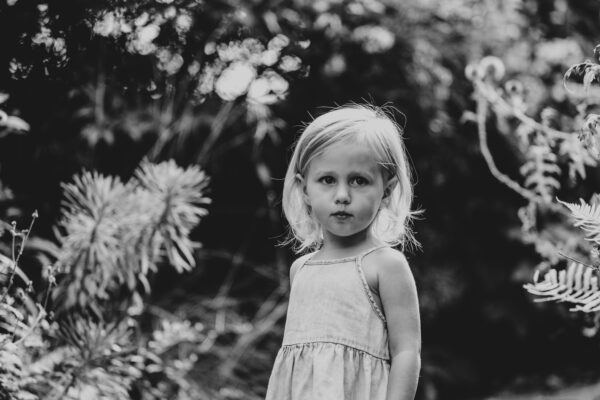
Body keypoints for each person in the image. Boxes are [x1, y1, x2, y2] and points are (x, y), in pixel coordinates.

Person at [265, 104, 422, 400]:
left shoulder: (385, 265)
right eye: (327, 180)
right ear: (304, 190)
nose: (342, 196)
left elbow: (406, 352)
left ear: (386, 191)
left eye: (359, 180)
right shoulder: (301, 268)